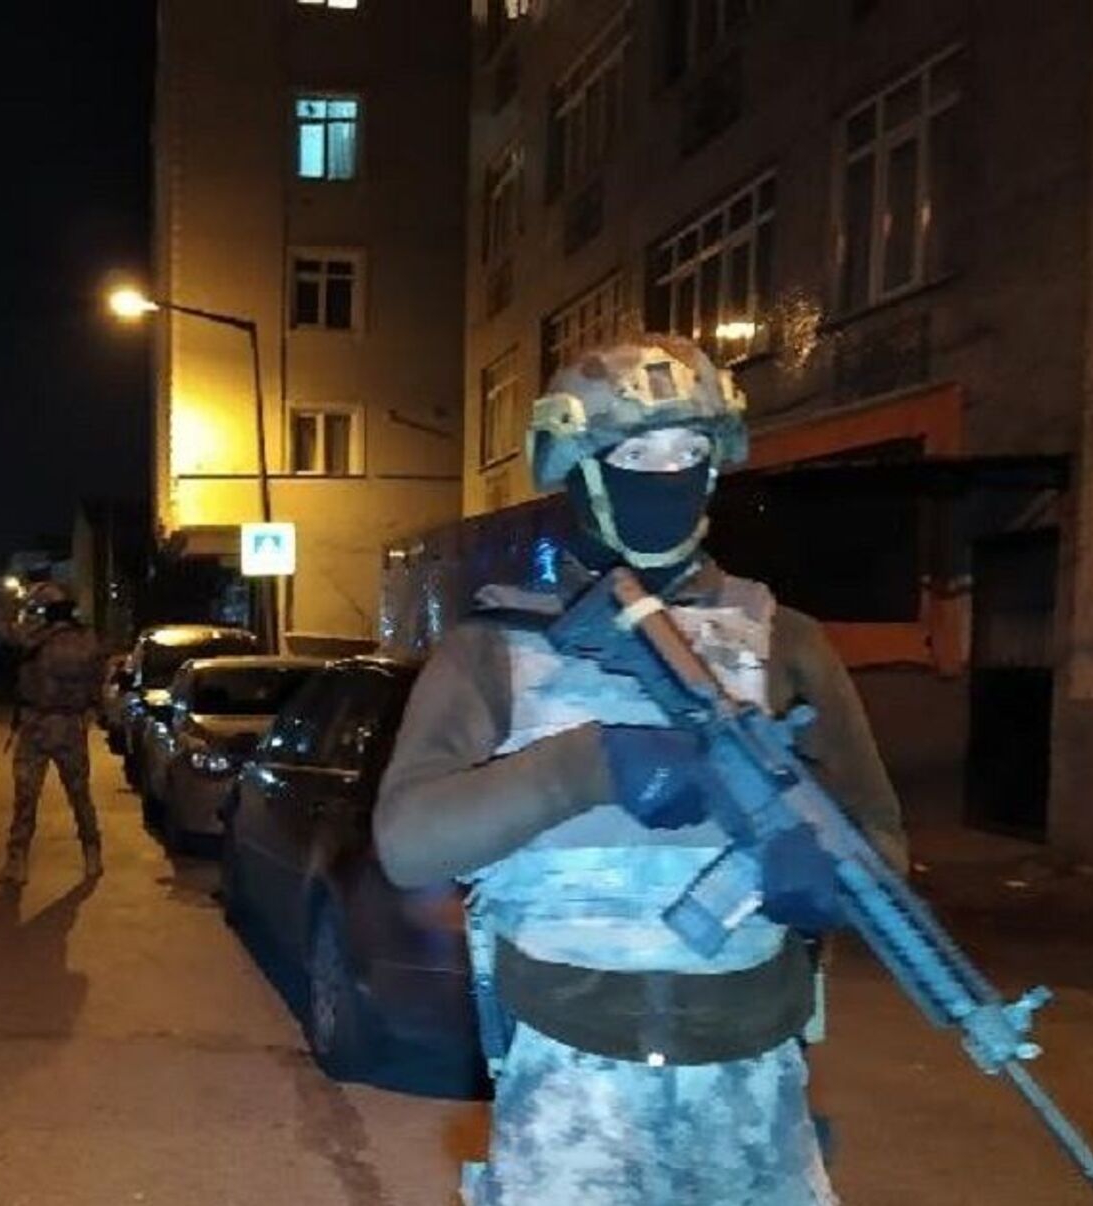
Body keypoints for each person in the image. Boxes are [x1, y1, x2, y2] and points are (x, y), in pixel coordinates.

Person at [373, 334, 908, 1205]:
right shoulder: (496, 648)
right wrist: (586, 767)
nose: (667, 475)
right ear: (581, 468)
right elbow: (408, 843)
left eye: (689, 450)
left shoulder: (789, 643)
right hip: (569, 1087)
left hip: (754, 1089)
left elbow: (882, 841)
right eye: (635, 455)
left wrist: (829, 877)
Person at [0, 584, 106, 885]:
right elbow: (97, 679)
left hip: (36, 724)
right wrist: (92, 709)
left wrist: (10, 601)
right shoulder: (87, 640)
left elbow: (3, 630)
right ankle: (92, 853)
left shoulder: (33, 637)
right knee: (79, 794)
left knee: (26, 797)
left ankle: (17, 863)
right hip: (70, 725)